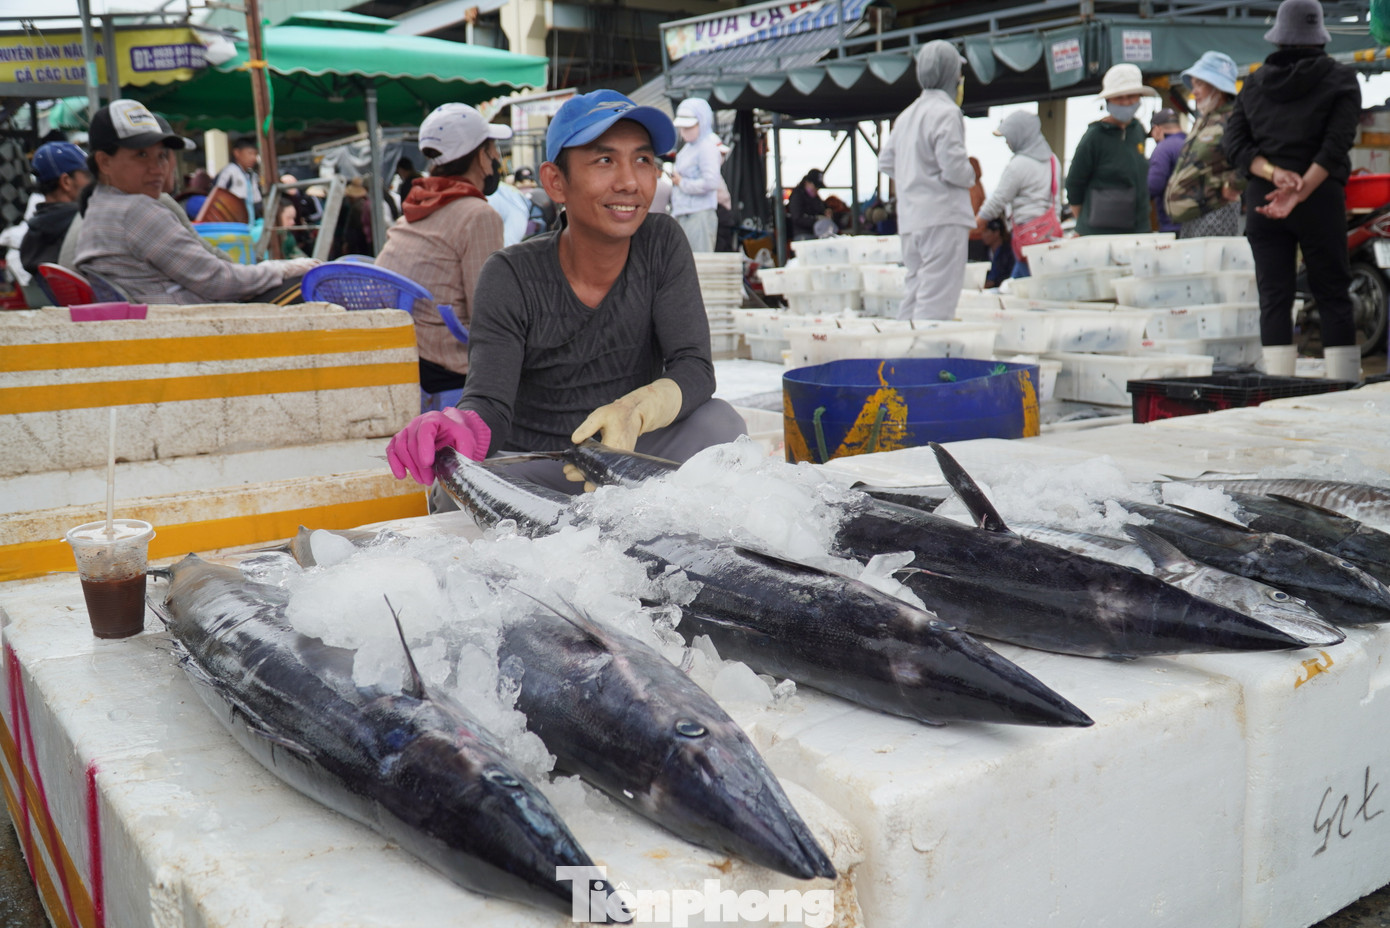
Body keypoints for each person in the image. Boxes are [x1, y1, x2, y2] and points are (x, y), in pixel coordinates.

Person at [384, 89, 747, 501]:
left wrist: (636, 410)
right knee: (452, 490)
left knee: (721, 425)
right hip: (535, 466)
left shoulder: (661, 242)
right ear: (556, 182)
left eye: (643, 160)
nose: (630, 182)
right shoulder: (510, 274)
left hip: (629, 457)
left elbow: (694, 367)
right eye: (605, 160)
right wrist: (461, 425)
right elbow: (490, 401)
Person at [1223, 0, 1362, 382]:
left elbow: (1234, 145)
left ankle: (1276, 389)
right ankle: (1344, 385)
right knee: (1332, 292)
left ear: (1279, 37)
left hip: (1264, 201)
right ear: (1319, 36)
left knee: (1274, 297)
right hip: (1319, 198)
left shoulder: (1253, 82)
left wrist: (1274, 173)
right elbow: (1337, 145)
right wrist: (1300, 189)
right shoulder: (1341, 79)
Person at [74, 101, 316, 305]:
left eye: (161, 156)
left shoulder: (100, 205)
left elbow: (212, 265)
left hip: (167, 322)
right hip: (186, 329)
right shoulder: (135, 210)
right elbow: (221, 281)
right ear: (104, 162)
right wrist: (282, 269)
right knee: (310, 283)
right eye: (141, 155)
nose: (157, 168)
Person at [376, 102, 509, 406]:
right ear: (480, 155)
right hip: (448, 366)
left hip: (406, 356)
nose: (496, 161)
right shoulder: (478, 215)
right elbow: (489, 315)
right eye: (493, 150)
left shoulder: (415, 208)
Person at [878, 40, 976, 321]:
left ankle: (902, 357)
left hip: (912, 220)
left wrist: (914, 176)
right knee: (937, 302)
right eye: (958, 72)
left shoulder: (907, 115)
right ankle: (927, 359)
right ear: (949, 73)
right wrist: (971, 174)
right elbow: (955, 169)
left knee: (914, 291)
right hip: (942, 218)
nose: (959, 79)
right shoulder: (946, 112)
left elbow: (886, 161)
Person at [1065, 63, 1158, 235]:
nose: (1126, 102)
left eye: (1131, 96)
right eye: (1119, 98)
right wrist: (1084, 223)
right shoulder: (1094, 137)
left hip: (1138, 229)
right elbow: (1074, 183)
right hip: (1100, 232)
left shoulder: (1137, 130)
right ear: (1108, 101)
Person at [1165, 51, 1246, 239]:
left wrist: (1234, 184)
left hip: (1216, 214)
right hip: (1193, 216)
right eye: (1193, 85)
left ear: (1217, 87)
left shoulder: (1234, 118)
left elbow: (1251, 156)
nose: (1194, 92)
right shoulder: (1205, 119)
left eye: (1199, 84)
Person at [975, 111, 1061, 277]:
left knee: (1022, 284)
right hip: (1050, 235)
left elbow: (998, 200)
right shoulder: (1052, 160)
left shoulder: (1018, 165)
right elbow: (1055, 199)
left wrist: (977, 222)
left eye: (1009, 136)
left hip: (1026, 236)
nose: (1007, 141)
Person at [20, 141, 89, 277]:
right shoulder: (84, 222)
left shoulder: (35, 228)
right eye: (88, 175)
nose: (93, 182)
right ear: (66, 182)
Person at [670, 97, 722, 253]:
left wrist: (682, 183)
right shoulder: (687, 148)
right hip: (683, 213)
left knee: (699, 264)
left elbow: (712, 182)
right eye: (682, 127)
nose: (684, 131)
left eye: (689, 126)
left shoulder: (707, 147)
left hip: (700, 215)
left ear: (702, 122)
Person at [1147, 108, 1186, 234]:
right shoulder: (1192, 142)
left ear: (1157, 129)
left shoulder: (1163, 149)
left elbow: (1154, 186)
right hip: (1196, 221)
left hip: (1172, 224)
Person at [212, 136, 262, 218]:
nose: (253, 158)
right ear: (237, 153)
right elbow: (216, 196)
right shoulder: (229, 171)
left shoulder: (252, 175)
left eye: (255, 154)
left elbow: (257, 200)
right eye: (250, 153)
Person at [787, 169, 830, 241]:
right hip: (803, 234)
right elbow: (797, 218)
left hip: (818, 233)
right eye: (815, 186)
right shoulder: (797, 196)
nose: (817, 189)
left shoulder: (816, 197)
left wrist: (826, 212)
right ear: (807, 182)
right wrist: (816, 219)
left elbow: (822, 208)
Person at [980, 219, 1015, 288]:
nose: (983, 235)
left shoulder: (1009, 252)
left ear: (996, 233)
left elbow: (1010, 273)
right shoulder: (983, 251)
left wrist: (994, 282)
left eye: (986, 231)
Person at [967, 157, 988, 261]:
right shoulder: (979, 185)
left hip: (973, 235)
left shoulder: (972, 188)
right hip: (981, 233)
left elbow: (972, 212)